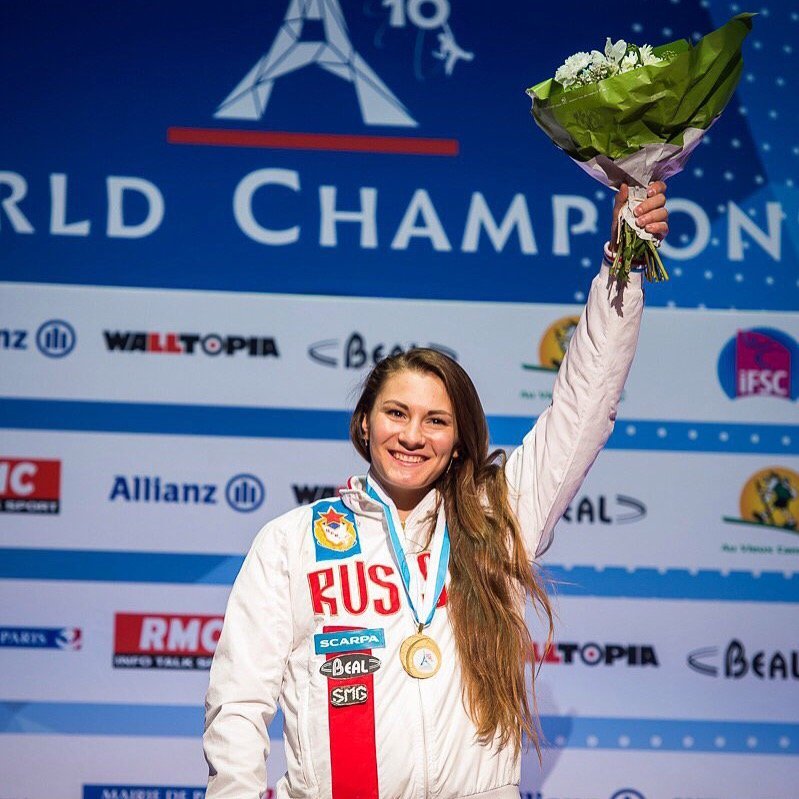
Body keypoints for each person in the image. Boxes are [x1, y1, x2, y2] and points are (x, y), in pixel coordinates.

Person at [204, 183, 669, 799]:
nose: (412, 436)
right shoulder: (292, 543)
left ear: (458, 439)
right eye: (396, 413)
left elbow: (585, 405)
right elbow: (238, 704)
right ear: (364, 424)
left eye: (436, 421)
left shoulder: (497, 519)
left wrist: (624, 263)